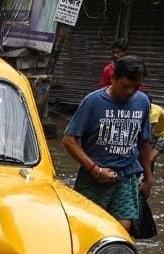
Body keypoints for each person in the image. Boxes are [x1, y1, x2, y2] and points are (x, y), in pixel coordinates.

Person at [62, 55, 154, 232]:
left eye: (135, 87)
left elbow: (144, 143)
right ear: (113, 79)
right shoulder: (93, 102)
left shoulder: (142, 102)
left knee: (122, 229)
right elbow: (69, 140)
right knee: (86, 228)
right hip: (93, 178)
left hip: (127, 176)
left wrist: (149, 178)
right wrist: (95, 170)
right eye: (125, 86)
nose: (130, 92)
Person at [147, 96, 164, 171]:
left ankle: (148, 176)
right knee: (149, 159)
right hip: (155, 133)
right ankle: (149, 175)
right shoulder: (148, 108)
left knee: (150, 159)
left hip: (163, 135)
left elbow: (148, 130)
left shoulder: (154, 112)